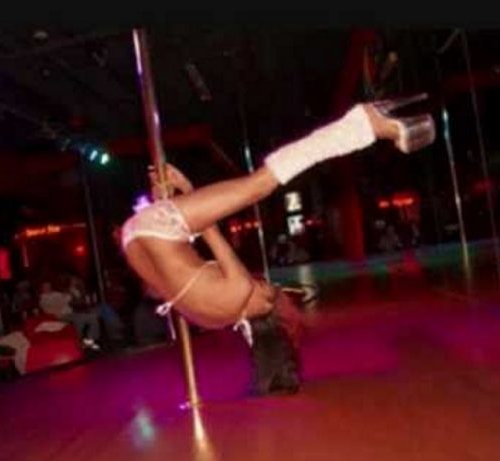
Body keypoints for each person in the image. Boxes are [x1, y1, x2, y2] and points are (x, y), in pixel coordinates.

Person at [120, 96, 435, 394]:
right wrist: (171, 199)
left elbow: (209, 231)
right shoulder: (211, 320)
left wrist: (186, 190)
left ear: (263, 306)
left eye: (264, 288)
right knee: (185, 240)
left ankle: (362, 123)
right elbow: (165, 275)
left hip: (159, 231)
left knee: (259, 185)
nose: (260, 283)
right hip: (133, 239)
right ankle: (364, 123)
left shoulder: (239, 291)